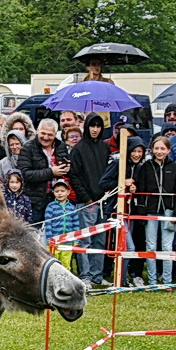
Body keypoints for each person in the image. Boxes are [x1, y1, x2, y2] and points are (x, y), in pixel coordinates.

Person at [132, 134, 176, 286]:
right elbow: (141, 189)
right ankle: (153, 280)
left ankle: (167, 281)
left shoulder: (174, 167)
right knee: (151, 246)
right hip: (150, 211)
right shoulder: (145, 167)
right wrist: (141, 210)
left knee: (167, 247)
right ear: (152, 149)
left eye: (163, 148)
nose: (159, 151)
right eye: (157, 148)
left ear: (168, 150)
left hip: (168, 211)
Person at [67, 114, 112, 285]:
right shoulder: (78, 149)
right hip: (86, 203)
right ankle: (85, 275)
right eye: (92, 126)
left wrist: (105, 195)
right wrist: (85, 198)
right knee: (85, 239)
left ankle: (97, 276)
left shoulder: (104, 148)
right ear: (86, 127)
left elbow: (109, 173)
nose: (95, 129)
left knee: (99, 240)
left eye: (98, 126)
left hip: (103, 201)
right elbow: (74, 176)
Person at [16, 118, 71, 223]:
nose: (46, 137)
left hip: (58, 200)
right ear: (37, 130)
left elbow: (67, 170)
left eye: (50, 134)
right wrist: (51, 172)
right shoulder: (28, 148)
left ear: (55, 134)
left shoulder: (61, 146)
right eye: (43, 133)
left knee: (57, 233)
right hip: (36, 202)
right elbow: (24, 174)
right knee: (36, 234)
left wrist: (68, 168)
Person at [42, 179, 80, 267]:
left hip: (68, 242)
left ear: (68, 192)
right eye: (57, 191)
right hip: (54, 243)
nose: (59, 193)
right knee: (53, 264)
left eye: (62, 191)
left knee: (66, 265)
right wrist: (49, 239)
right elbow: (48, 224)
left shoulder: (72, 208)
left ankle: (65, 280)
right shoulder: (50, 206)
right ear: (53, 192)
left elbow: (76, 224)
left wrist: (76, 240)